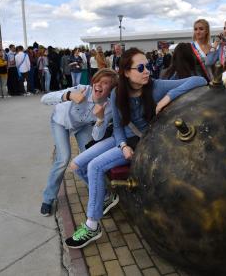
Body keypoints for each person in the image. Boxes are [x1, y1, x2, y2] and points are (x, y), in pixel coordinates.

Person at [65, 48, 207, 249]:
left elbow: (198, 81)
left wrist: (167, 98)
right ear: (126, 72)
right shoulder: (117, 94)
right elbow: (120, 128)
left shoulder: (155, 86)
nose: (146, 71)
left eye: (147, 66)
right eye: (140, 68)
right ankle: (106, 197)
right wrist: (122, 146)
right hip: (126, 140)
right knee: (78, 165)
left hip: (148, 142)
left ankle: (92, 225)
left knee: (95, 167)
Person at [39, 68, 119, 216]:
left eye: (106, 83)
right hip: (60, 122)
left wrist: (100, 119)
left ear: (112, 89)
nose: (99, 85)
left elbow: (96, 137)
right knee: (63, 159)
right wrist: (68, 95)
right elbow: (44, 99)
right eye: (97, 81)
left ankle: (103, 195)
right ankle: (48, 198)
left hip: (82, 126)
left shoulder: (108, 108)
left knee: (89, 159)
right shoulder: (81, 89)